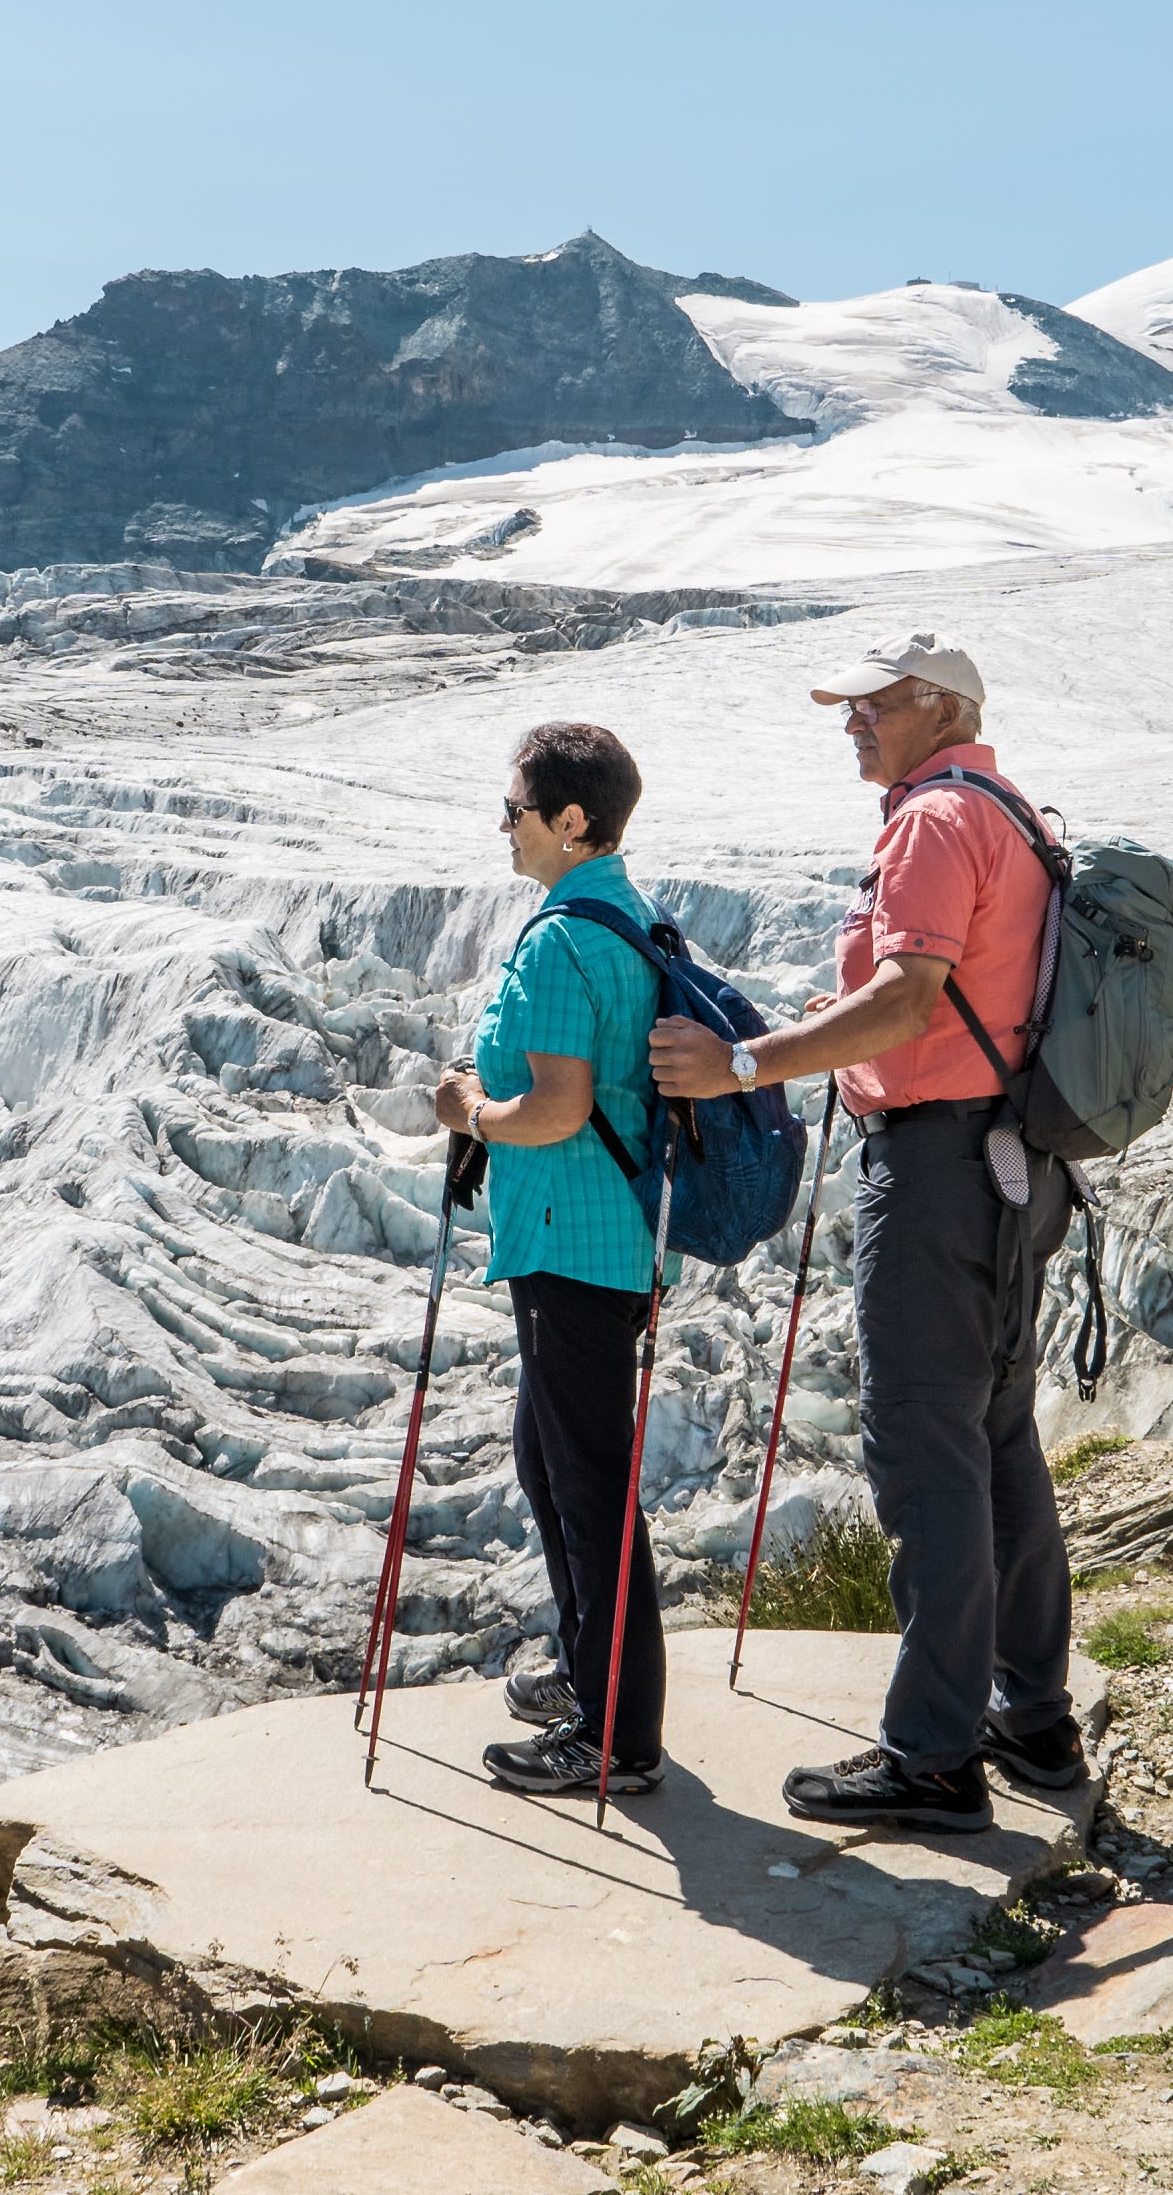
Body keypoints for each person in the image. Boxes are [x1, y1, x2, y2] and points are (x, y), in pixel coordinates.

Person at [648, 633, 1079, 1832]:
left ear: (939, 705)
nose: (850, 721)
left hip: (941, 1166)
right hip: (1002, 1160)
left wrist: (743, 1063)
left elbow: (906, 997)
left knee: (919, 1443)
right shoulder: (1006, 808)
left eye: (871, 703)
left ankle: (935, 1756)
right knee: (991, 1433)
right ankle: (1031, 1717)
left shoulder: (936, 819)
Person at [432, 720, 670, 1799]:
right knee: (554, 1459)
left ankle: (617, 1735)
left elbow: (559, 1107)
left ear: (571, 820)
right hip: (604, 1237)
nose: (503, 827)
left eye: (516, 809)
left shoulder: (563, 937)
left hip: (575, 1243)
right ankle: (591, 1676)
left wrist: (472, 1109)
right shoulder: (624, 914)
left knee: (587, 1481)